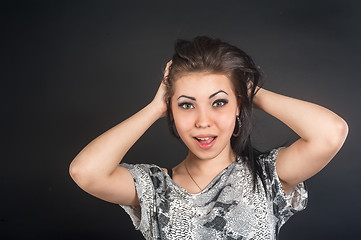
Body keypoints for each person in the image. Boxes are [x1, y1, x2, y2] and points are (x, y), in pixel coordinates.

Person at [69, 36, 348, 240]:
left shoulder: (267, 176)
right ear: (172, 111)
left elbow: (330, 133)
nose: (203, 121)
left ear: (238, 106)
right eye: (187, 105)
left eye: (219, 103)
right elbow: (86, 172)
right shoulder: (155, 189)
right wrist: (154, 108)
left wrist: (247, 91)